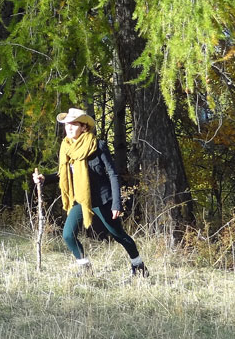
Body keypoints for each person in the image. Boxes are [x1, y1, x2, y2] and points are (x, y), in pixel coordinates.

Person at [32, 107, 148, 277]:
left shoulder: (97, 146)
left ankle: (139, 267)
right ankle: (85, 267)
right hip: (81, 199)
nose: (69, 128)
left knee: (118, 235)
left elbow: (113, 174)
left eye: (73, 124)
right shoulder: (67, 147)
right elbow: (65, 173)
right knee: (68, 235)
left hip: (102, 200)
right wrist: (45, 179)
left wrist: (117, 203)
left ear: (84, 127)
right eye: (66, 125)